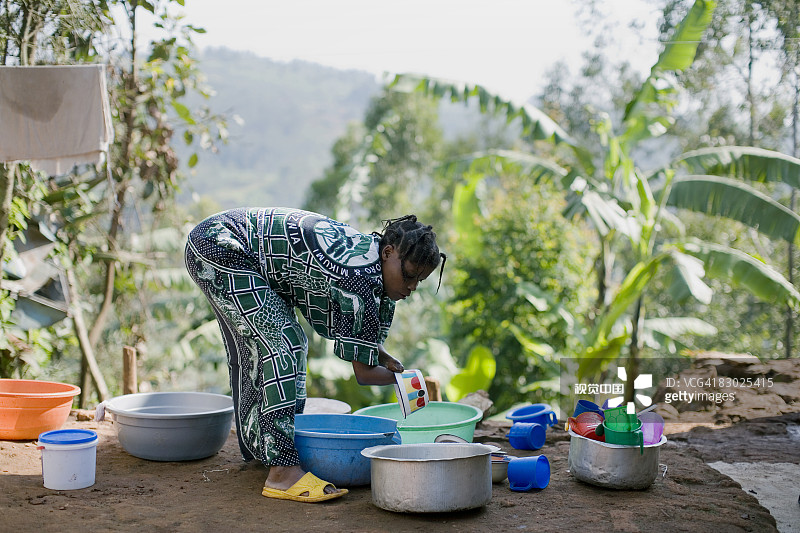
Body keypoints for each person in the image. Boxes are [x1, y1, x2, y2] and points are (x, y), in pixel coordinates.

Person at [184, 207, 445, 503]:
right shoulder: (359, 279)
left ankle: (271, 450)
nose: (411, 287)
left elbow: (368, 345)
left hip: (240, 252)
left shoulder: (374, 272)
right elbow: (363, 374)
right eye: (409, 275)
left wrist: (382, 355)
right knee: (283, 341)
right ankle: (282, 471)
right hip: (221, 245)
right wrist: (408, 381)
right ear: (388, 252)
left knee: (285, 344)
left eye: (418, 281)